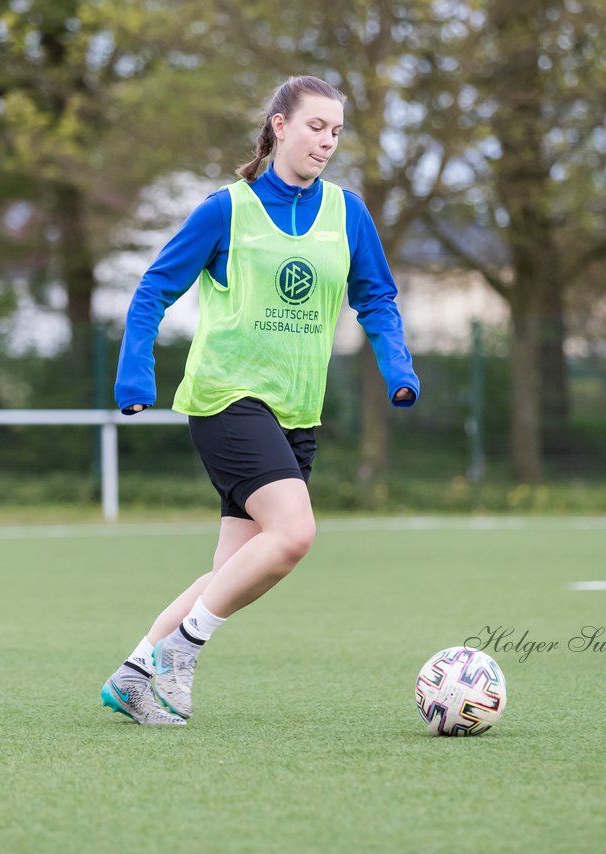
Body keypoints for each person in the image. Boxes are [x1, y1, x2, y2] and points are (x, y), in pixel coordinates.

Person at [101, 75, 419, 726]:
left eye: (335, 131)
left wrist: (397, 366)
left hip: (297, 412)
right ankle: (180, 657)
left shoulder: (347, 212)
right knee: (296, 534)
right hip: (227, 398)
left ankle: (135, 672)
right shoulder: (227, 209)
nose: (327, 141)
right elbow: (153, 290)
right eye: (314, 126)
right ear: (279, 126)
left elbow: (377, 297)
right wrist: (136, 377)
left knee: (234, 571)